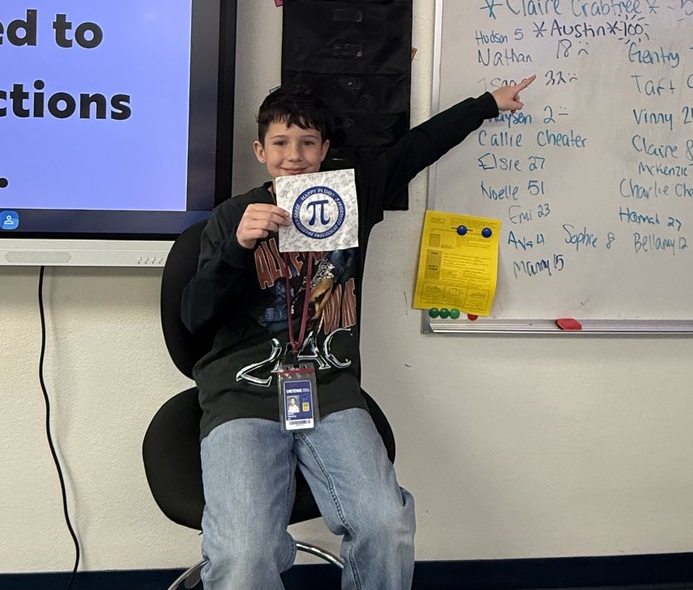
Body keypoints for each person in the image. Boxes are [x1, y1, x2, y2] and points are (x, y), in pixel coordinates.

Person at [181, 76, 535, 590]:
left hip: (328, 389)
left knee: (385, 524)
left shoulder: (350, 195)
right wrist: (237, 247)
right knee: (243, 553)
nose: (294, 156)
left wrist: (487, 105)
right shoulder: (233, 216)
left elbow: (416, 148)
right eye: (281, 143)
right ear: (261, 150)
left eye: (307, 143)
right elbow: (195, 317)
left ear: (325, 150)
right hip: (244, 396)